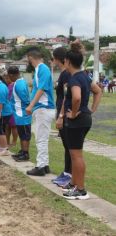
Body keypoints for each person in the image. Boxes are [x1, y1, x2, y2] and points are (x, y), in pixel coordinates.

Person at [61, 42, 102, 200]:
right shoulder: (85, 76)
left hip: (77, 120)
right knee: (74, 154)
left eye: (65, 61)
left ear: (68, 62)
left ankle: (81, 190)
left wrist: (74, 113)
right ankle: (74, 183)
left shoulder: (74, 80)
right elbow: (98, 91)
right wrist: (92, 109)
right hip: (84, 118)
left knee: (77, 155)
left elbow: (76, 97)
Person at [25, 48, 55, 176]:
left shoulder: (42, 69)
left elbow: (41, 89)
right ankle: (45, 165)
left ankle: (40, 166)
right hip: (42, 108)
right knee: (42, 137)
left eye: (28, 60)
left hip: (43, 107)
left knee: (41, 139)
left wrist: (30, 106)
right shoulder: (40, 69)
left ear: (31, 58)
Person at [51, 47, 73, 187]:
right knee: (66, 145)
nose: (53, 61)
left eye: (53, 58)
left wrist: (61, 115)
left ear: (58, 58)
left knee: (70, 146)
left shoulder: (66, 74)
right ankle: (66, 172)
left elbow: (66, 96)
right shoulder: (64, 74)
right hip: (61, 111)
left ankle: (69, 174)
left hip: (64, 113)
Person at [8, 66, 32, 162]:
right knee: (22, 134)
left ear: (12, 75)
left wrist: (28, 107)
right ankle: (22, 151)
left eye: (9, 76)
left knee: (25, 135)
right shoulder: (18, 82)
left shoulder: (20, 84)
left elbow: (25, 99)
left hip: (23, 114)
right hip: (19, 114)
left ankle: (26, 153)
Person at [5, 73, 18, 147]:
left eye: (7, 78)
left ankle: (14, 141)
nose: (6, 80)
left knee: (13, 126)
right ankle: (7, 141)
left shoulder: (14, 85)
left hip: (13, 108)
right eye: (5, 78)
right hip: (7, 108)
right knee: (7, 126)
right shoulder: (7, 86)